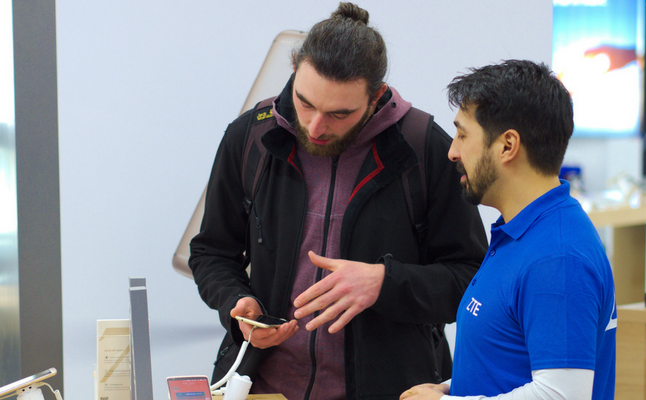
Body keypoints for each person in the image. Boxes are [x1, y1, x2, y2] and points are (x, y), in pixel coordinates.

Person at [189, 3, 487, 399]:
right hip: (263, 387)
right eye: (305, 102)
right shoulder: (250, 137)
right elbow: (211, 252)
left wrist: (385, 282)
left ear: (377, 95)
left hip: (394, 388)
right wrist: (237, 302)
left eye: (339, 114)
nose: (315, 126)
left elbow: (470, 279)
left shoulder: (425, 148)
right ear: (294, 68)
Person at [401, 59, 616, 400]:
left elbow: (562, 395)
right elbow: (512, 367)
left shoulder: (557, 256)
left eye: (462, 134)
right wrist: (449, 388)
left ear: (507, 145)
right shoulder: (520, 234)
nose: (453, 152)